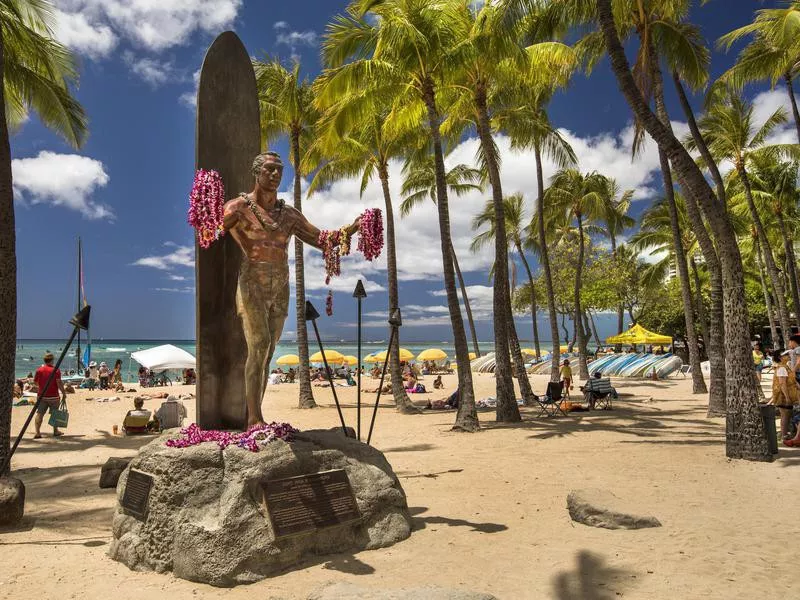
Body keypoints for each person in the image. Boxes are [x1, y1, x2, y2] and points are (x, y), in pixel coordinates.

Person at [222, 151, 360, 427]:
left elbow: (322, 240)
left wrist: (354, 228)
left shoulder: (289, 215)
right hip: (252, 282)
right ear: (257, 172)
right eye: (270, 169)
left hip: (281, 285)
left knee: (269, 352)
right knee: (258, 346)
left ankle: (256, 414)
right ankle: (253, 418)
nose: (275, 175)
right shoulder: (238, 207)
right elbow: (210, 231)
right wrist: (206, 204)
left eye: (279, 171)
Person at [766, 350, 799, 440]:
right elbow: (782, 384)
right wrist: (787, 397)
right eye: (786, 355)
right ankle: (784, 435)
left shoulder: (785, 367)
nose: (788, 356)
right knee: (785, 415)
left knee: (787, 415)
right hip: (783, 396)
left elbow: (792, 380)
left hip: (789, 395)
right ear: (780, 358)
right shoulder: (781, 368)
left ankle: (784, 434)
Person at [33, 352, 67, 439]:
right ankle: (55, 431)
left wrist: (42, 386)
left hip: (42, 396)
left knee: (39, 414)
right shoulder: (56, 370)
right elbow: (59, 383)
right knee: (55, 414)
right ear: (52, 360)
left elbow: (35, 383)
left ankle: (37, 432)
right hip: (54, 396)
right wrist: (63, 392)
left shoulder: (39, 370)